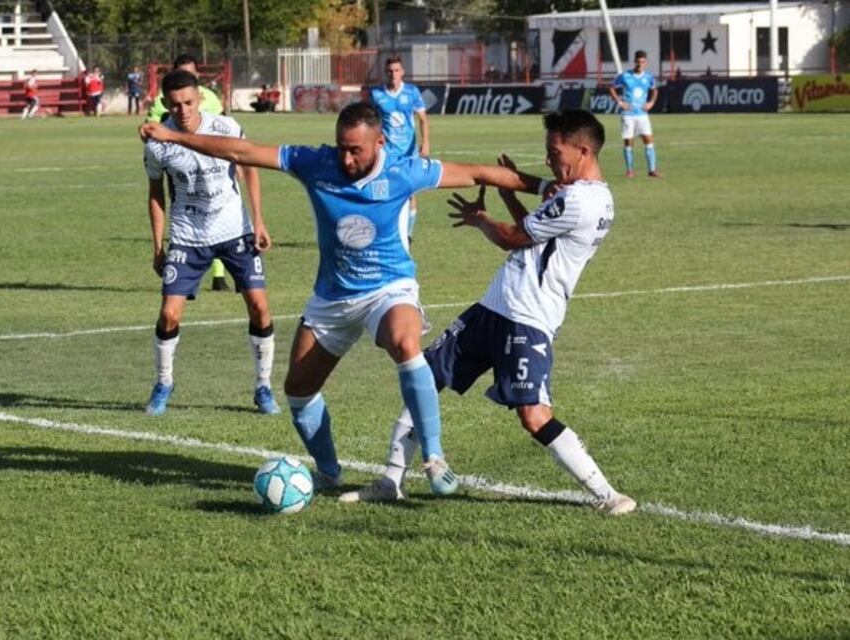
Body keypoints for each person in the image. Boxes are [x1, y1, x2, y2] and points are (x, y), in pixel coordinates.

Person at [139, 101, 546, 495]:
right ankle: (329, 473)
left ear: (380, 143)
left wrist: (543, 186)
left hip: (389, 289)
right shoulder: (316, 163)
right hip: (332, 299)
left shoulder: (405, 172)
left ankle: (435, 459)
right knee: (298, 391)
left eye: (356, 150)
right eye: (342, 148)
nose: (347, 159)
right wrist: (175, 137)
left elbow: (478, 172)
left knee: (406, 343)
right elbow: (240, 150)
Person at [339, 109, 636, 516]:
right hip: (493, 306)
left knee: (533, 416)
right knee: (424, 376)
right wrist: (510, 194)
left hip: (528, 318)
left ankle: (608, 494)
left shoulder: (580, 201)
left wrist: (481, 221)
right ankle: (390, 480)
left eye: (554, 151)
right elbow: (535, 235)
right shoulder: (590, 196)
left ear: (582, 150)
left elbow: (513, 238)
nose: (549, 160)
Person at [141, 70, 281, 418]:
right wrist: (158, 245)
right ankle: (164, 382)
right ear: (165, 104)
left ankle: (263, 387)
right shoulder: (157, 143)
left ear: (199, 99)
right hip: (188, 237)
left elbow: (250, 166)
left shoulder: (226, 128)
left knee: (260, 307)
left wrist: (258, 219)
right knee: (169, 313)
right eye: (174, 105)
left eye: (188, 102)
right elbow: (156, 194)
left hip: (235, 231)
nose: (182, 110)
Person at [145, 53, 229, 292]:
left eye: (192, 74)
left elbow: (227, 131)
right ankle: (184, 271)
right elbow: (150, 128)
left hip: (214, 168)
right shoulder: (163, 101)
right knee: (186, 213)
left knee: (218, 214)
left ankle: (219, 275)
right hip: (181, 170)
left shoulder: (210, 97)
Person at [368, 57, 429, 242]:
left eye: (396, 70)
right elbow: (370, 120)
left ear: (402, 72)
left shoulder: (411, 92)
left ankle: (408, 234)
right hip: (386, 152)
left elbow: (423, 119)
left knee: (410, 192)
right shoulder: (376, 94)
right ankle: (383, 230)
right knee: (381, 190)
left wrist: (425, 143)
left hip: (408, 152)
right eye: (390, 71)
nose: (393, 74)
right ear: (385, 73)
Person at [608, 50, 659, 178]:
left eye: (642, 62)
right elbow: (611, 87)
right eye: (638, 61)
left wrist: (651, 103)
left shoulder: (649, 77)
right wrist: (620, 102)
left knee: (649, 141)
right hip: (628, 114)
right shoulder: (625, 76)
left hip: (642, 114)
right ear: (634, 61)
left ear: (645, 62)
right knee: (628, 142)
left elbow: (654, 90)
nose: (639, 64)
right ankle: (630, 171)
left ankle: (652, 170)